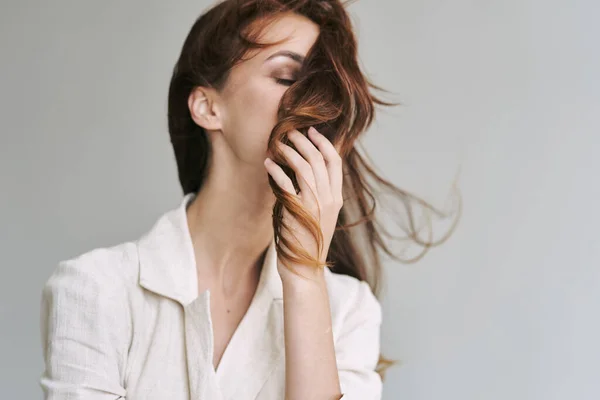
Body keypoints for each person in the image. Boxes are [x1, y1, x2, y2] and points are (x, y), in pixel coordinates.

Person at [40, 0, 459, 399]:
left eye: (324, 89)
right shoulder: (95, 290)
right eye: (287, 78)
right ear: (207, 107)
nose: (314, 106)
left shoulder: (348, 310)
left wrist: (305, 275)